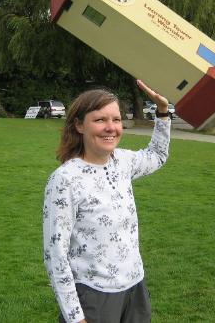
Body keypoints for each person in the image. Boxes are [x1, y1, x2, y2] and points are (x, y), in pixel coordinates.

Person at [43, 79, 171, 323]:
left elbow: (157, 155)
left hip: (135, 286)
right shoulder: (65, 179)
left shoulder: (123, 162)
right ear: (79, 125)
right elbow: (55, 253)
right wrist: (74, 316)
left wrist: (163, 112)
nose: (110, 127)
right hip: (93, 295)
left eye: (116, 119)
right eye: (100, 120)